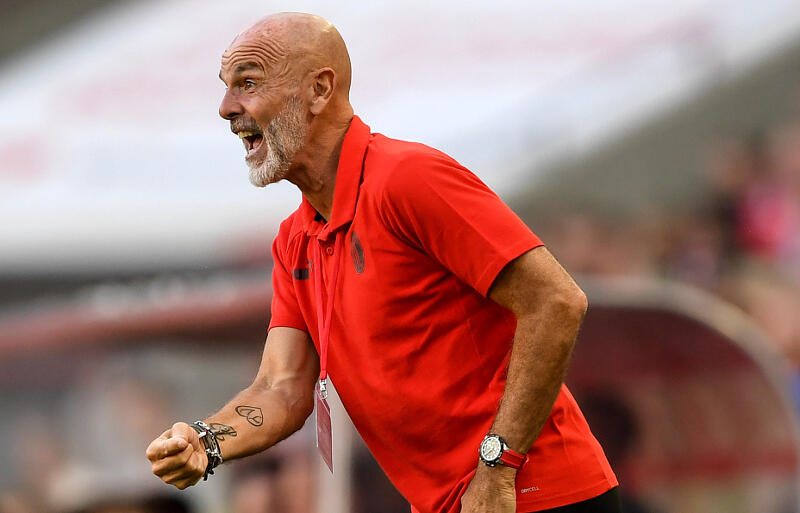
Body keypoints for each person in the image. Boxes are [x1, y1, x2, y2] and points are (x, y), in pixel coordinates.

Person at [146, 12, 619, 513]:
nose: (225, 108)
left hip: (535, 495)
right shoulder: (293, 242)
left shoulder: (408, 178)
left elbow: (557, 301)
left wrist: (498, 465)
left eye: (247, 83)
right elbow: (281, 389)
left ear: (319, 89)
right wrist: (206, 440)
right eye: (226, 87)